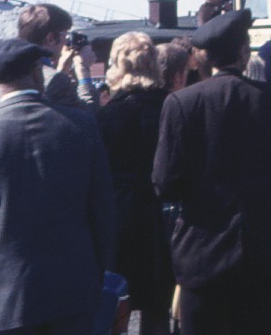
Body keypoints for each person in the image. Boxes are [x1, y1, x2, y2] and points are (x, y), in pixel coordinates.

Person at [0, 38, 114, 335]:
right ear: (38, 71)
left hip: (2, 299)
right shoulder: (81, 127)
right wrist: (91, 279)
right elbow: (102, 215)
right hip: (73, 291)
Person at [153, 9, 271, 335]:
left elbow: (165, 183)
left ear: (205, 57)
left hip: (202, 253)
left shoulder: (181, 103)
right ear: (243, 52)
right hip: (263, 250)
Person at [96, 32, 174, 335]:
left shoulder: (107, 115)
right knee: (158, 307)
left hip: (120, 216)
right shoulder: (171, 107)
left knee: (118, 303)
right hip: (161, 214)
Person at [18, 2, 99, 108]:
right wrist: (83, 69)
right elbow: (88, 115)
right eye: (64, 34)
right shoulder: (53, 78)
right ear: (50, 39)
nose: (66, 41)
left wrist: (62, 69)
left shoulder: (10, 68)